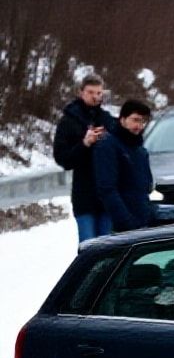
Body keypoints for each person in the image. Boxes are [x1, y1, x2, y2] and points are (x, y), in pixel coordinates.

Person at [53, 73, 117, 241]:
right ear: (81, 92)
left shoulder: (107, 120)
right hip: (84, 196)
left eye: (99, 93)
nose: (95, 97)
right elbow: (62, 158)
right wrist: (85, 144)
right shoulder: (69, 121)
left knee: (109, 248)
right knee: (88, 247)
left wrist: (107, 140)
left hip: (106, 196)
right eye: (91, 92)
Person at [92, 100, 155, 233]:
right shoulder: (108, 146)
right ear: (122, 119)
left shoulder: (140, 150)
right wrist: (126, 223)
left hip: (142, 222)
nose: (139, 126)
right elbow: (107, 189)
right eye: (135, 120)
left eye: (143, 122)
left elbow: (146, 186)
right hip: (121, 227)